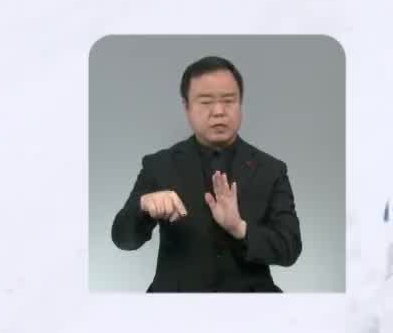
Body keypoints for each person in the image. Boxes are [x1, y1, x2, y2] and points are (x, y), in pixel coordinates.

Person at [109, 55, 303, 292]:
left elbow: (290, 248)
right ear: (186, 107)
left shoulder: (271, 169)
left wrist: (240, 228)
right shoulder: (159, 165)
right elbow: (123, 239)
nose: (218, 111)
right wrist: (143, 207)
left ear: (241, 103)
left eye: (229, 100)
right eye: (205, 101)